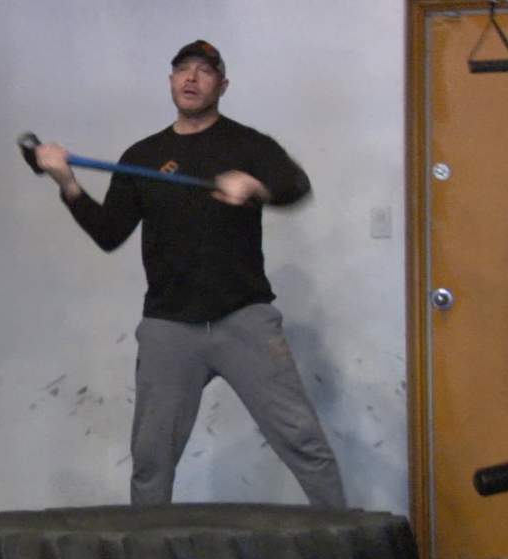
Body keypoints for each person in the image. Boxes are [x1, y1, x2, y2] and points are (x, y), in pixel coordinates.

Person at [34, 39, 346, 509]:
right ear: (171, 81)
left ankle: (347, 557)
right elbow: (109, 233)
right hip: (168, 327)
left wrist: (255, 185)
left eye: (204, 71)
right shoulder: (143, 155)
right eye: (183, 70)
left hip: (244, 320)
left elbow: (295, 185)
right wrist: (67, 183)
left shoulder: (248, 144)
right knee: (151, 459)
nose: (192, 78)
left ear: (223, 84)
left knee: (304, 443)